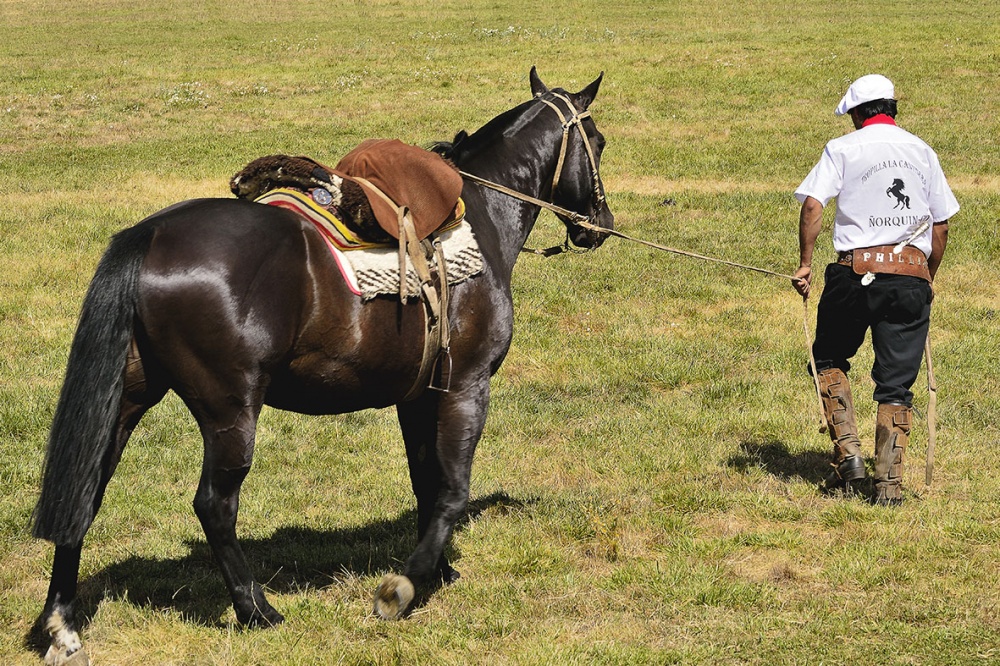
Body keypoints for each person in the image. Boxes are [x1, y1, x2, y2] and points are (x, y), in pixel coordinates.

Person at [792, 74, 959, 505]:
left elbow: (813, 204)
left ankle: (849, 458)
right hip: (909, 277)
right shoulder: (922, 151)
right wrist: (927, 276)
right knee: (896, 385)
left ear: (858, 114)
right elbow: (940, 226)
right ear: (890, 108)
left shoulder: (843, 148)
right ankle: (888, 485)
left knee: (828, 357)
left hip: (852, 273)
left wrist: (806, 264)